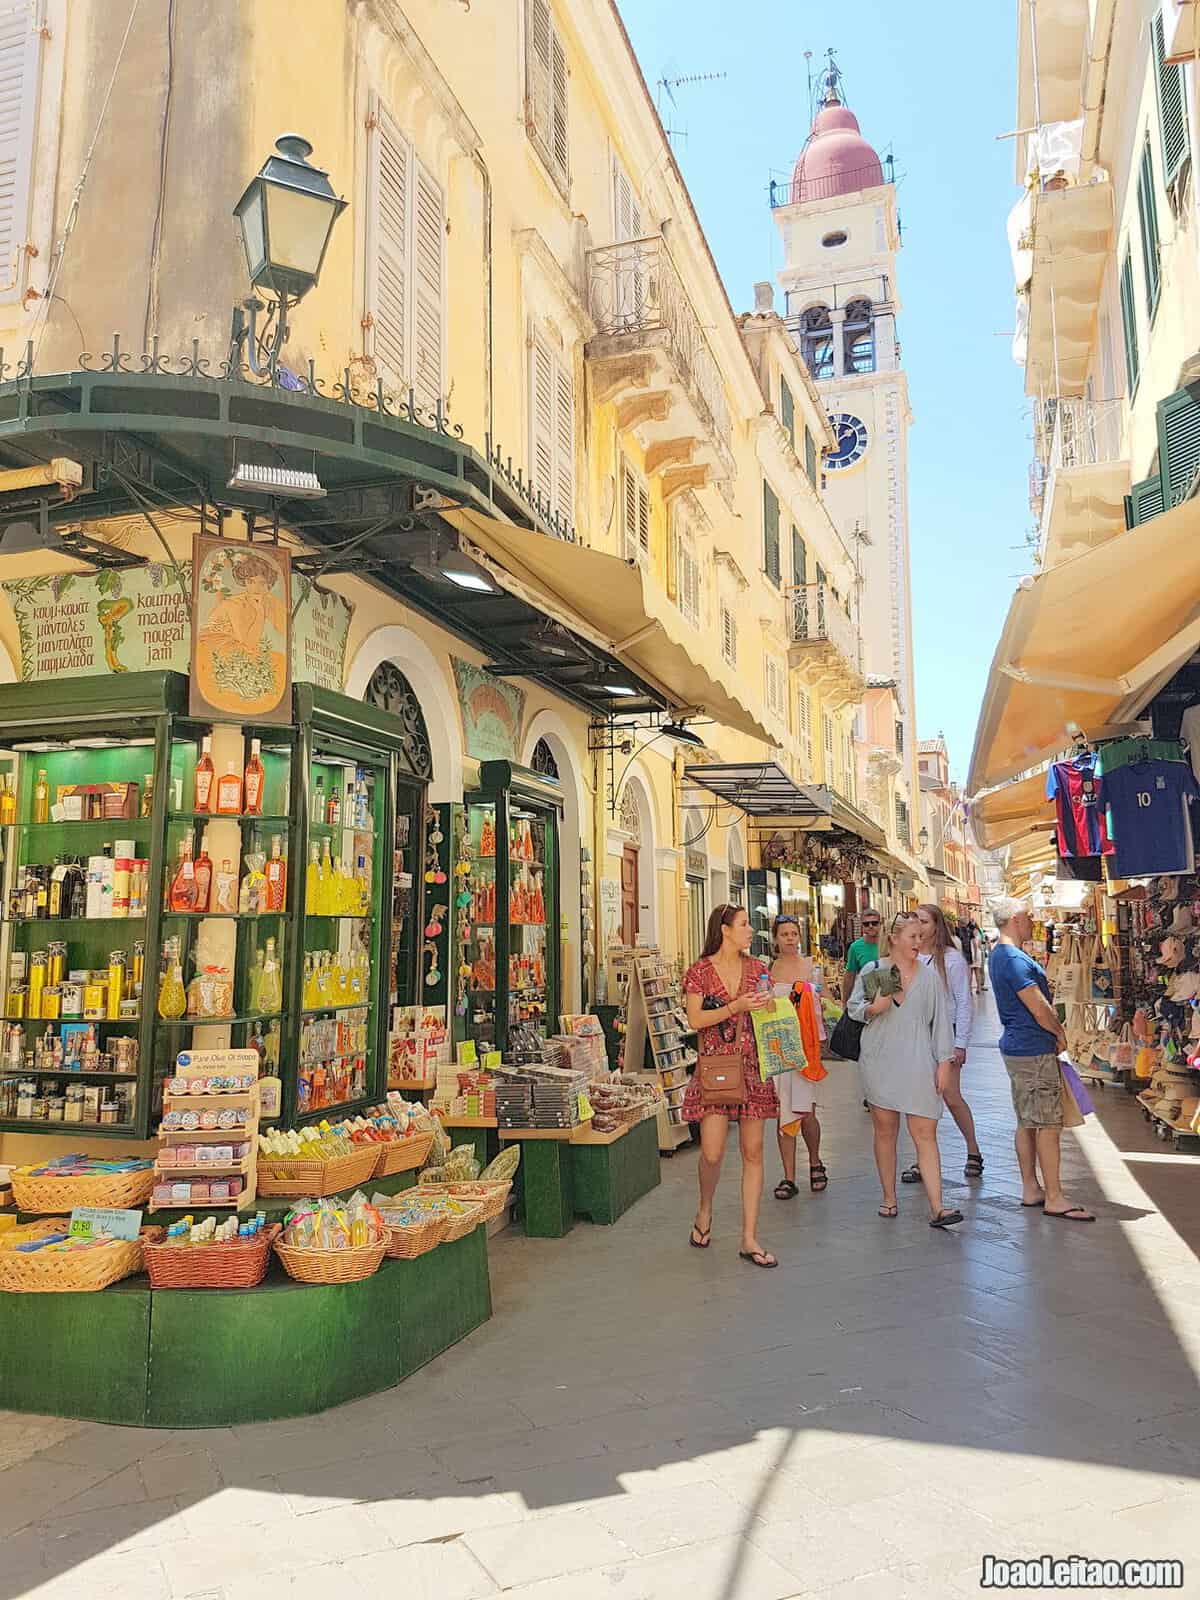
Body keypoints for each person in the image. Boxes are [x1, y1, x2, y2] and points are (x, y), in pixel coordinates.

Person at [848, 912, 963, 1228]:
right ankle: (889, 1197)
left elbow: (941, 1023)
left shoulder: (929, 978)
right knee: (885, 1131)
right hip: (881, 1059)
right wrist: (873, 1008)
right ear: (895, 939)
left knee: (925, 1133)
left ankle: (937, 1206)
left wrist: (944, 1062)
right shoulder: (876, 970)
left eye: (920, 935)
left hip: (918, 1060)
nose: (918, 941)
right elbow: (855, 1007)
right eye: (912, 936)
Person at [682, 904, 779, 1267]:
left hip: (752, 1068)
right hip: (716, 1068)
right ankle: (705, 1209)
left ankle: (749, 1237)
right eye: (743, 924)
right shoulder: (700, 972)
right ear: (724, 929)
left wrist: (766, 1005)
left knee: (753, 1152)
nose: (750, 930)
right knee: (711, 1152)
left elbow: (766, 1015)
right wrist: (734, 1006)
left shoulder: (758, 969)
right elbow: (694, 1019)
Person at [988, 897, 1095, 1221]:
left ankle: (1031, 1187)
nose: (1033, 921)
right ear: (1016, 919)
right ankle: (1055, 1196)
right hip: (1033, 1048)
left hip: (1019, 1047)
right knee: (1049, 1124)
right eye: (1029, 916)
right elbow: (1038, 1007)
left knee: (1028, 1121)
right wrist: (1060, 1033)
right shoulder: (1013, 960)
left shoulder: (1000, 955)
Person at [901, 903, 983, 1184]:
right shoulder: (908, 958)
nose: (920, 927)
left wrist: (961, 1043)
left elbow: (963, 1002)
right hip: (915, 1036)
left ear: (936, 925)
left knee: (950, 1094)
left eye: (924, 921)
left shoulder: (951, 960)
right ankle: (923, 1160)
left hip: (944, 1034)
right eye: (916, 921)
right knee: (920, 1100)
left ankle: (973, 1149)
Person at [768, 915, 827, 1198]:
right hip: (779, 1047)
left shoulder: (810, 967)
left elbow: (822, 1001)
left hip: (804, 1048)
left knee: (806, 1111)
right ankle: (788, 1176)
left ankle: (815, 1160)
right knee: (784, 1112)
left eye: (794, 933)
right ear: (775, 938)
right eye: (784, 934)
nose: (790, 938)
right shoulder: (769, 970)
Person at [841, 909, 882, 1004]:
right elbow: (850, 977)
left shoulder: (889, 943)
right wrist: (845, 1002)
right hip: (867, 1000)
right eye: (866, 924)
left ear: (880, 924)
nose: (870, 926)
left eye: (874, 923)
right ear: (862, 926)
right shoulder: (855, 947)